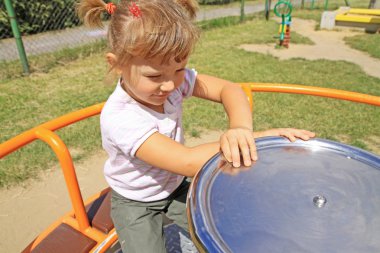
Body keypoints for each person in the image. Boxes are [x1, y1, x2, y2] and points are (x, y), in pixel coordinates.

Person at [77, 0, 315, 252]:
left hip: (175, 186)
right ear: (116, 64)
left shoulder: (172, 81)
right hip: (136, 201)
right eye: (154, 76)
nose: (169, 85)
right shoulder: (121, 117)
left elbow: (229, 89)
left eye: (179, 69)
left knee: (224, 227)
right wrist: (259, 138)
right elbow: (187, 161)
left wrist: (242, 130)